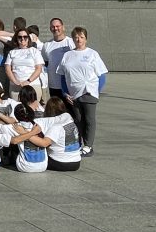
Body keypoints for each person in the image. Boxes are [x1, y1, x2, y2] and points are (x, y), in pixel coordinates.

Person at [57, 26, 109, 157]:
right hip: (73, 94)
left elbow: (102, 75)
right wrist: (64, 93)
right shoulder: (67, 55)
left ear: (86, 39)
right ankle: (78, 143)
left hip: (88, 92)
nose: (78, 39)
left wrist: (95, 91)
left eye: (81, 37)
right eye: (76, 37)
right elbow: (62, 76)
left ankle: (88, 145)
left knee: (89, 119)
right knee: (78, 119)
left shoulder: (92, 54)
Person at [3, 29, 43, 100]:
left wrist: (28, 81)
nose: (22, 39)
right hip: (15, 87)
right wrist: (15, 81)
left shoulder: (35, 51)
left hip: (32, 85)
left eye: (25, 37)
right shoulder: (12, 52)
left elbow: (38, 69)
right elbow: (7, 69)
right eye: (20, 37)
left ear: (28, 38)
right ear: (16, 38)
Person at [41, 17, 75, 98]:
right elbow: (45, 63)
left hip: (69, 85)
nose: (55, 28)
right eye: (53, 27)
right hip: (53, 86)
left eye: (57, 26)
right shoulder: (47, 45)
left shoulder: (71, 43)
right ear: (50, 28)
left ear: (63, 27)